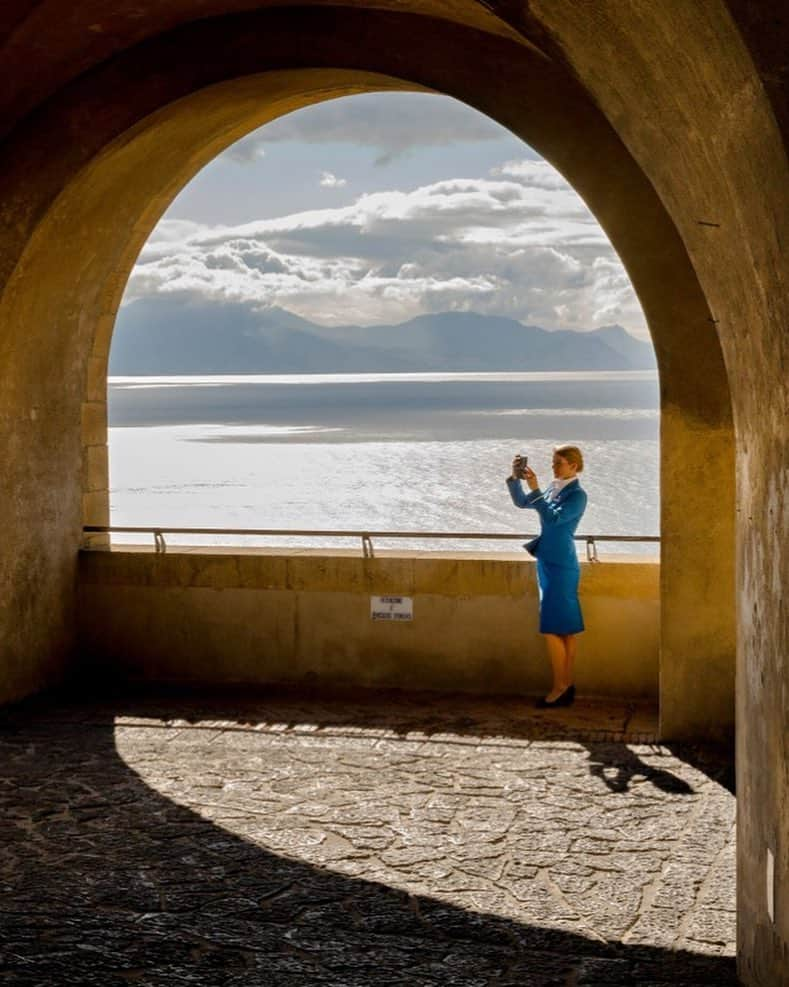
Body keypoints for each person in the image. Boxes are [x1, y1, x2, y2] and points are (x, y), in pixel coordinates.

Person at [506, 445, 587, 708]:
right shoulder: (554, 488)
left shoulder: (578, 495)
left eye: (559, 463)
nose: (554, 467)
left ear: (574, 466)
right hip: (548, 560)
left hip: (561, 564)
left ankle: (560, 687)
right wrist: (517, 479)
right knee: (564, 630)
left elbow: (553, 520)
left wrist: (537, 489)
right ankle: (566, 684)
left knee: (554, 627)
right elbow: (522, 502)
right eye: (553, 463)